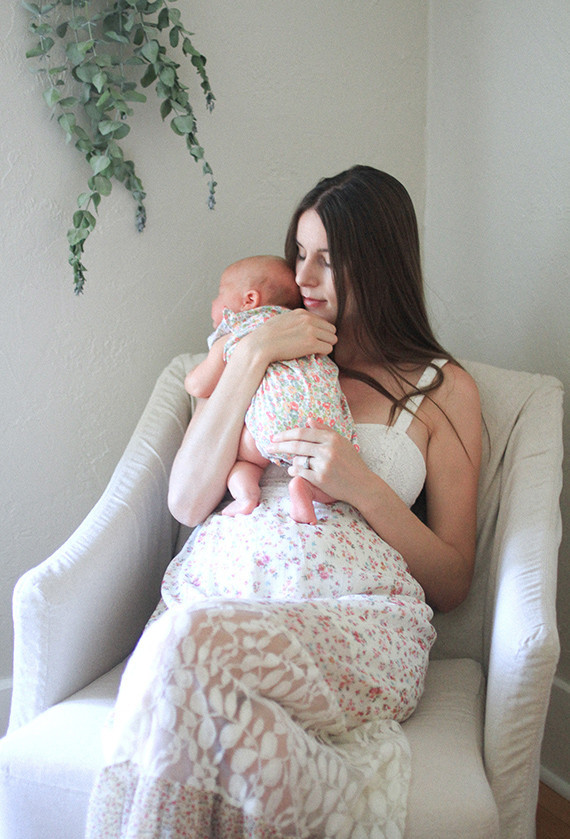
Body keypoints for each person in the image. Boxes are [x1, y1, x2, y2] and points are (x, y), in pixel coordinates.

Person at [86, 166, 482, 839]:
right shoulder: (254, 349)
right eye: (299, 253)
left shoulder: (443, 389)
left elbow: (450, 579)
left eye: (327, 258)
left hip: (356, 623)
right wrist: (256, 351)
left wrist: (360, 483)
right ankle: (319, 793)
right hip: (236, 597)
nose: (303, 276)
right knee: (198, 683)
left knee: (181, 641)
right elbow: (186, 499)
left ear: (380, 261)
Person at [184, 254, 358, 524]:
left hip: (268, 427)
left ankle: (246, 497)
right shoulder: (308, 329)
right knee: (326, 474)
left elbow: (198, 385)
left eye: (219, 293)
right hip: (322, 419)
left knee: (246, 463)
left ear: (250, 300)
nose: (213, 302)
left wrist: (190, 377)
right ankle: (307, 489)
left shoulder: (237, 330)